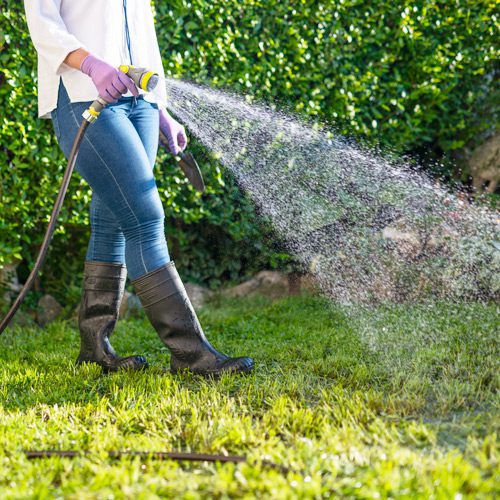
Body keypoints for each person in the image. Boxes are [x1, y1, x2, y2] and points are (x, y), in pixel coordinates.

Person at [23, 0, 254, 376]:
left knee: (113, 219)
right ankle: (191, 354)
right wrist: (93, 65)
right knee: (145, 218)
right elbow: (43, 24)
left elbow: (140, 34)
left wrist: (161, 110)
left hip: (140, 102)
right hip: (84, 94)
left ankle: (94, 347)